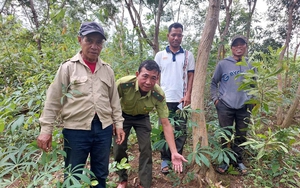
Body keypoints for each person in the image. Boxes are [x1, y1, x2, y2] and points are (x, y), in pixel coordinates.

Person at [37, 21, 125, 188]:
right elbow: (54, 99)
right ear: (80, 40)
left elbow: (114, 100)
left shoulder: (108, 70)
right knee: (73, 173)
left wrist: (119, 124)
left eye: (98, 42)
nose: (94, 46)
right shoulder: (68, 68)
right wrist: (46, 130)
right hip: (75, 130)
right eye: (89, 40)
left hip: (103, 129)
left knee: (100, 173)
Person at [113, 60, 188, 188]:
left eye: (153, 78)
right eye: (145, 76)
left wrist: (174, 151)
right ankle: (122, 180)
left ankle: (144, 183)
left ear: (157, 79)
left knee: (146, 149)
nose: (148, 82)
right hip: (122, 116)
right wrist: (114, 122)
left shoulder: (158, 94)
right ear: (137, 74)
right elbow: (110, 102)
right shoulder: (123, 84)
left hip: (142, 118)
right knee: (119, 147)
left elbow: (165, 123)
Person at [154, 22, 195, 174]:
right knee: (164, 129)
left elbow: (191, 76)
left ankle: (177, 156)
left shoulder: (188, 55)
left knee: (181, 130)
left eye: (179, 35)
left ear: (182, 36)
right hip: (163, 99)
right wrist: (157, 95)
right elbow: (156, 77)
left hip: (181, 100)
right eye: (173, 35)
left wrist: (188, 95)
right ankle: (165, 159)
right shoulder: (160, 55)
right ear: (168, 36)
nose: (176, 37)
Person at [210, 35, 253, 175]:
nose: (239, 47)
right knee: (225, 133)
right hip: (225, 106)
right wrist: (216, 99)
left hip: (244, 106)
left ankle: (238, 160)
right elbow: (213, 82)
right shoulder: (223, 64)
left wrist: (252, 100)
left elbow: (254, 85)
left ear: (246, 47)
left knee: (241, 134)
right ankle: (225, 160)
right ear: (232, 48)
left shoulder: (250, 64)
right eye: (236, 45)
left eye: (242, 45)